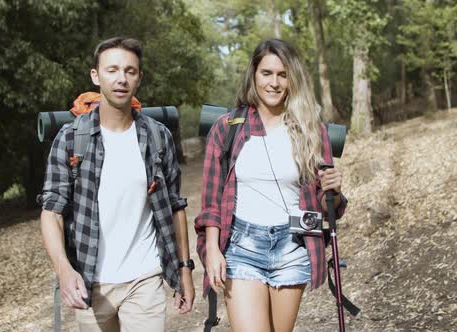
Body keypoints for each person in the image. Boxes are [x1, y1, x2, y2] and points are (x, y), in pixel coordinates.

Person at [40, 37, 195, 332]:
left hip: (145, 278)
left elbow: (176, 207)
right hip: (91, 280)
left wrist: (184, 269)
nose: (121, 79)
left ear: (139, 78)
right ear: (96, 76)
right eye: (112, 70)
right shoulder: (71, 138)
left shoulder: (158, 137)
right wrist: (63, 269)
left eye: (130, 71)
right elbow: (51, 212)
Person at [195, 38, 348, 332]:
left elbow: (329, 209)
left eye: (283, 74)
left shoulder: (310, 131)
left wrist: (335, 191)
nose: (274, 83)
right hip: (242, 245)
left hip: (292, 246)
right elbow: (212, 201)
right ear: (254, 75)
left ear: (293, 79)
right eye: (267, 73)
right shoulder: (228, 128)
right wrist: (213, 249)